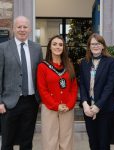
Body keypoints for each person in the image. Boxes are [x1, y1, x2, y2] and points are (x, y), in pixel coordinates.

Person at [0, 16, 43, 150]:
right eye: (19, 27)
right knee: (7, 141)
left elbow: (41, 75)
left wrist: (41, 98)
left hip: (31, 101)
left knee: (27, 140)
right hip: (9, 102)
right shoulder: (3, 48)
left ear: (29, 29)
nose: (22, 30)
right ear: (13, 29)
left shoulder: (36, 48)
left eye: (25, 27)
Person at [37, 35, 78, 150]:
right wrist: (56, 105)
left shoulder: (69, 65)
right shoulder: (42, 66)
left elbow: (73, 88)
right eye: (54, 44)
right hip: (50, 108)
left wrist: (69, 105)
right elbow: (42, 89)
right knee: (50, 141)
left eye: (60, 45)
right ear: (50, 47)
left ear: (64, 48)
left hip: (66, 108)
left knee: (66, 140)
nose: (57, 47)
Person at [79, 33, 114, 150]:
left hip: (105, 108)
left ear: (103, 46)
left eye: (98, 43)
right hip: (88, 109)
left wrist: (98, 106)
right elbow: (82, 85)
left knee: (103, 142)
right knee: (93, 141)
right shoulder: (84, 62)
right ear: (89, 46)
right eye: (92, 44)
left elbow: (110, 86)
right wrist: (85, 103)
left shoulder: (111, 62)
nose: (95, 46)